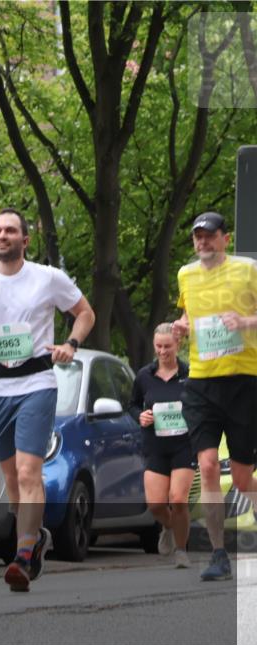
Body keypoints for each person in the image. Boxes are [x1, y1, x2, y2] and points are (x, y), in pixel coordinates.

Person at [0, 208, 95, 592]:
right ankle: (36, 535)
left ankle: (24, 554)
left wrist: (71, 344)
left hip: (37, 382)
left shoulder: (47, 277)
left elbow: (85, 313)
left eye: (10, 230)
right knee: (11, 478)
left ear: (25, 240)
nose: (1, 235)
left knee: (29, 472)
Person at [170, 211, 257, 581]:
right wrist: (181, 327)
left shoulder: (248, 269)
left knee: (240, 478)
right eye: (197, 237)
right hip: (202, 382)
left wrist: (246, 322)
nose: (202, 243)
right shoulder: (185, 275)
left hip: (243, 380)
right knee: (206, 464)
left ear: (226, 238)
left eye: (209, 236)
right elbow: (191, 316)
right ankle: (219, 554)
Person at [130, 323, 193, 569]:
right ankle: (168, 525)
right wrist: (140, 416)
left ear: (177, 345)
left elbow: (202, 403)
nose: (163, 351)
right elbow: (132, 404)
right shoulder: (145, 376)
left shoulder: (189, 374)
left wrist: (194, 416)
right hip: (155, 444)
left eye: (168, 346)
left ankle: (181, 549)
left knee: (178, 499)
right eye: (158, 346)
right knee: (156, 504)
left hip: (183, 445)